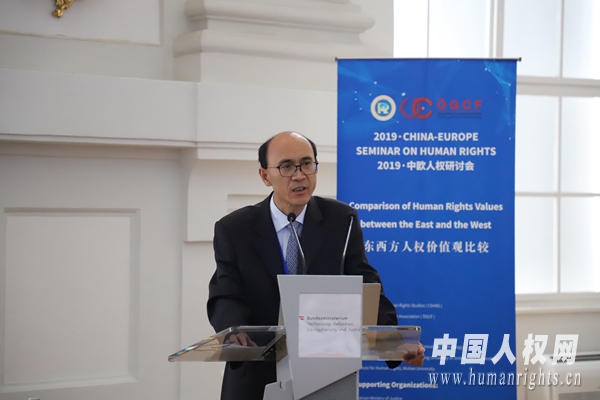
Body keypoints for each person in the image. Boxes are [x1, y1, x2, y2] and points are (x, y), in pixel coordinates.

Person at [207, 131, 425, 400]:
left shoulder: (341, 220)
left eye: (307, 164)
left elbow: (364, 284)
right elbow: (226, 293)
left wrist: (394, 343)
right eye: (287, 166)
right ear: (265, 176)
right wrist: (235, 334)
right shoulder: (234, 229)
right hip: (257, 376)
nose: (299, 175)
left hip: (325, 372)